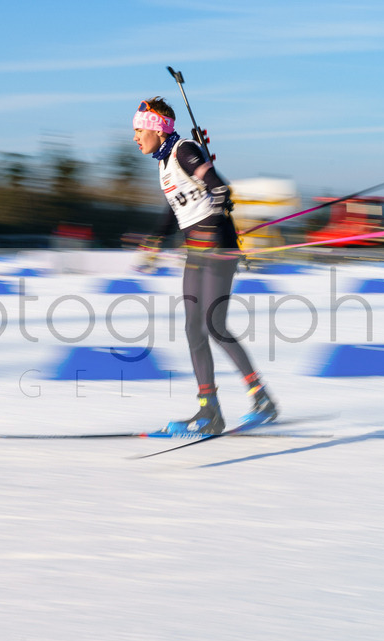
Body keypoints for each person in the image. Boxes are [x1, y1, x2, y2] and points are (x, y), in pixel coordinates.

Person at [133, 96, 277, 435]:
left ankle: (260, 398)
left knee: (214, 325)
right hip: (196, 251)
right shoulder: (164, 161)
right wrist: (156, 239)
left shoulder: (184, 150)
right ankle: (208, 409)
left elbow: (219, 188)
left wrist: (212, 227)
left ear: (156, 128)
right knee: (193, 329)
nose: (136, 137)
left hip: (215, 247)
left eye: (140, 129)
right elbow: (176, 207)